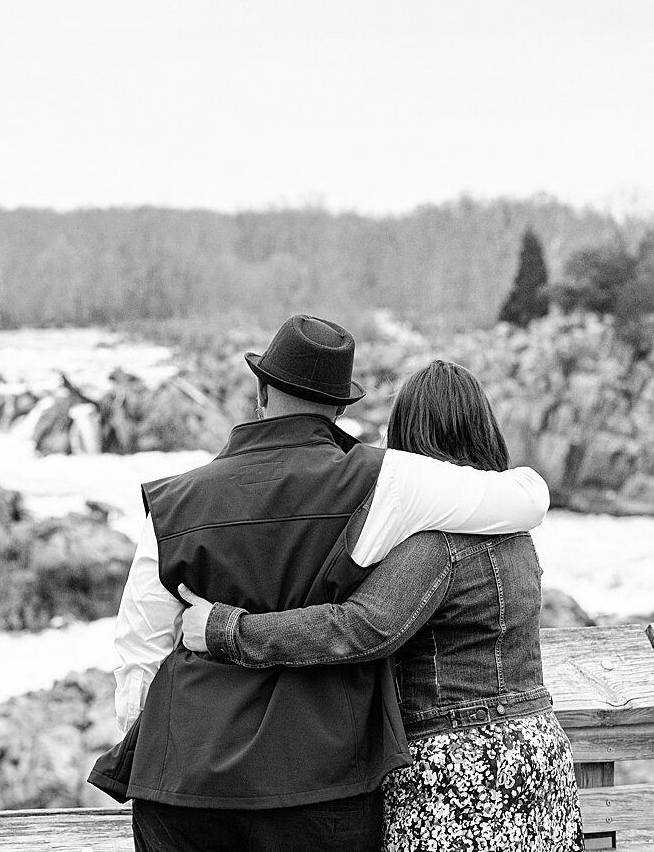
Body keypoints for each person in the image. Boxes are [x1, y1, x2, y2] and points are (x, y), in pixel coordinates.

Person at [89, 315, 550, 852]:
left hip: (182, 779)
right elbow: (527, 497)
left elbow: (138, 650)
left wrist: (158, 748)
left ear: (260, 393)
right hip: (320, 778)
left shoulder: (172, 502)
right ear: (339, 408)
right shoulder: (389, 481)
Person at [177, 359, 581, 851]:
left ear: (409, 436)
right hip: (539, 754)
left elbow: (362, 627)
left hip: (462, 770)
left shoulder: (435, 541)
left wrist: (225, 630)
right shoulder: (514, 529)